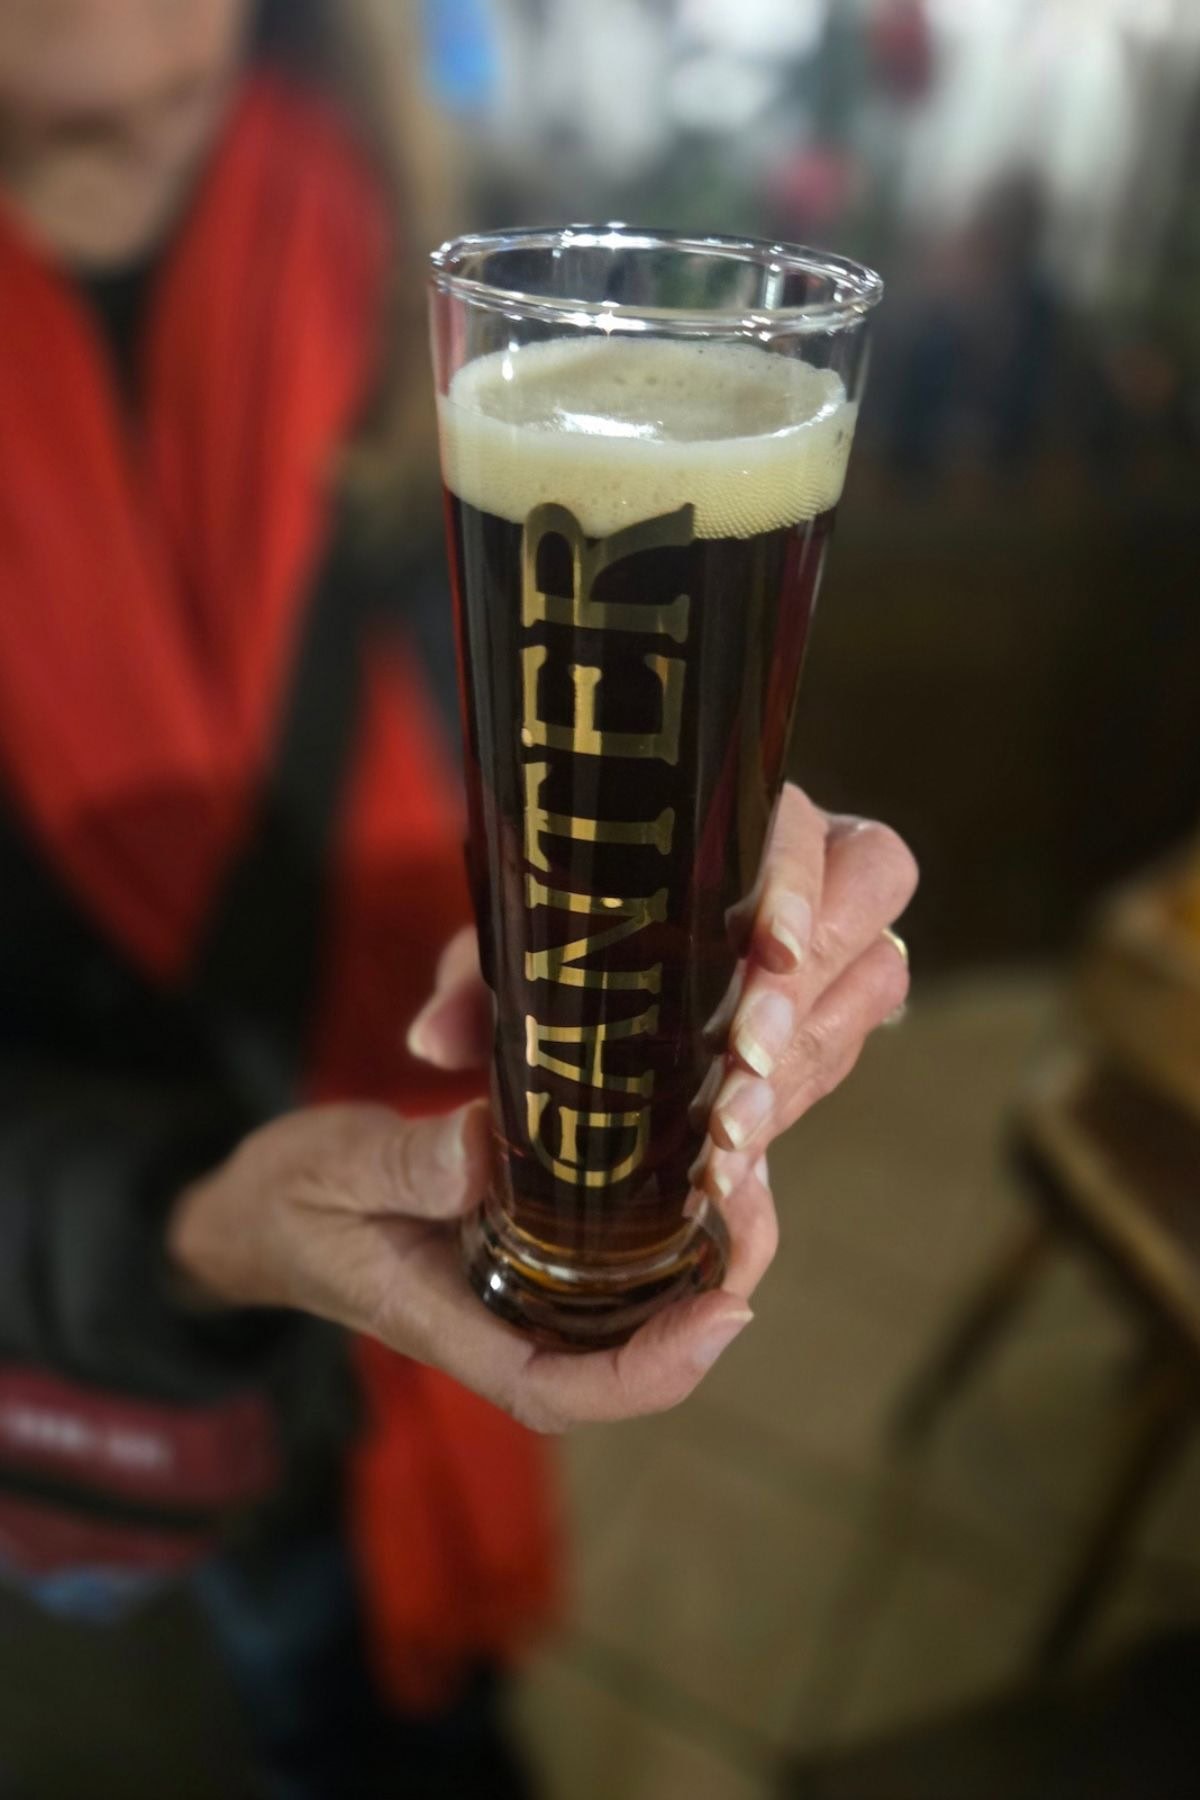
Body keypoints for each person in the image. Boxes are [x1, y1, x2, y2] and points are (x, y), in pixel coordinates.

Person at [0, 1, 917, 1794]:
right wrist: (191, 1232)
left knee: (411, 1732)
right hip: (97, 1361)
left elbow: (506, 759)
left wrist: (715, 889)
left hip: (448, 1202)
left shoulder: (384, 246)